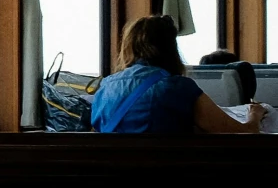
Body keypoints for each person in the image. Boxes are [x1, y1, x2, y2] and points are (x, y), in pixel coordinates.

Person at [92, 16, 265, 135]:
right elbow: (243, 132)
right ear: (170, 49)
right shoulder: (178, 87)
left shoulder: (105, 87)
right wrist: (254, 115)